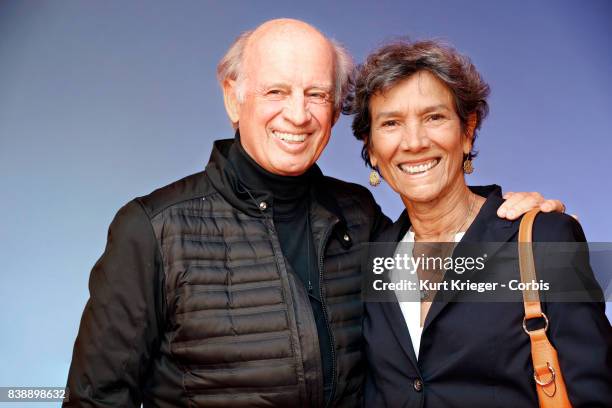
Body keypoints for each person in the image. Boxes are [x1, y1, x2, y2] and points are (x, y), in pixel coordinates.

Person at [64, 20, 565, 407]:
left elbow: (448, 302)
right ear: (233, 98)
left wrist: (516, 226)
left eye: (317, 94)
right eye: (276, 91)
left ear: (334, 108)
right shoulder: (152, 230)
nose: (298, 115)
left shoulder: (360, 216)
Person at [351, 39, 612, 407]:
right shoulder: (371, 257)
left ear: (467, 129)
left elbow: (595, 392)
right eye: (391, 123)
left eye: (434, 117)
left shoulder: (542, 240)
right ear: (372, 148)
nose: (414, 141)